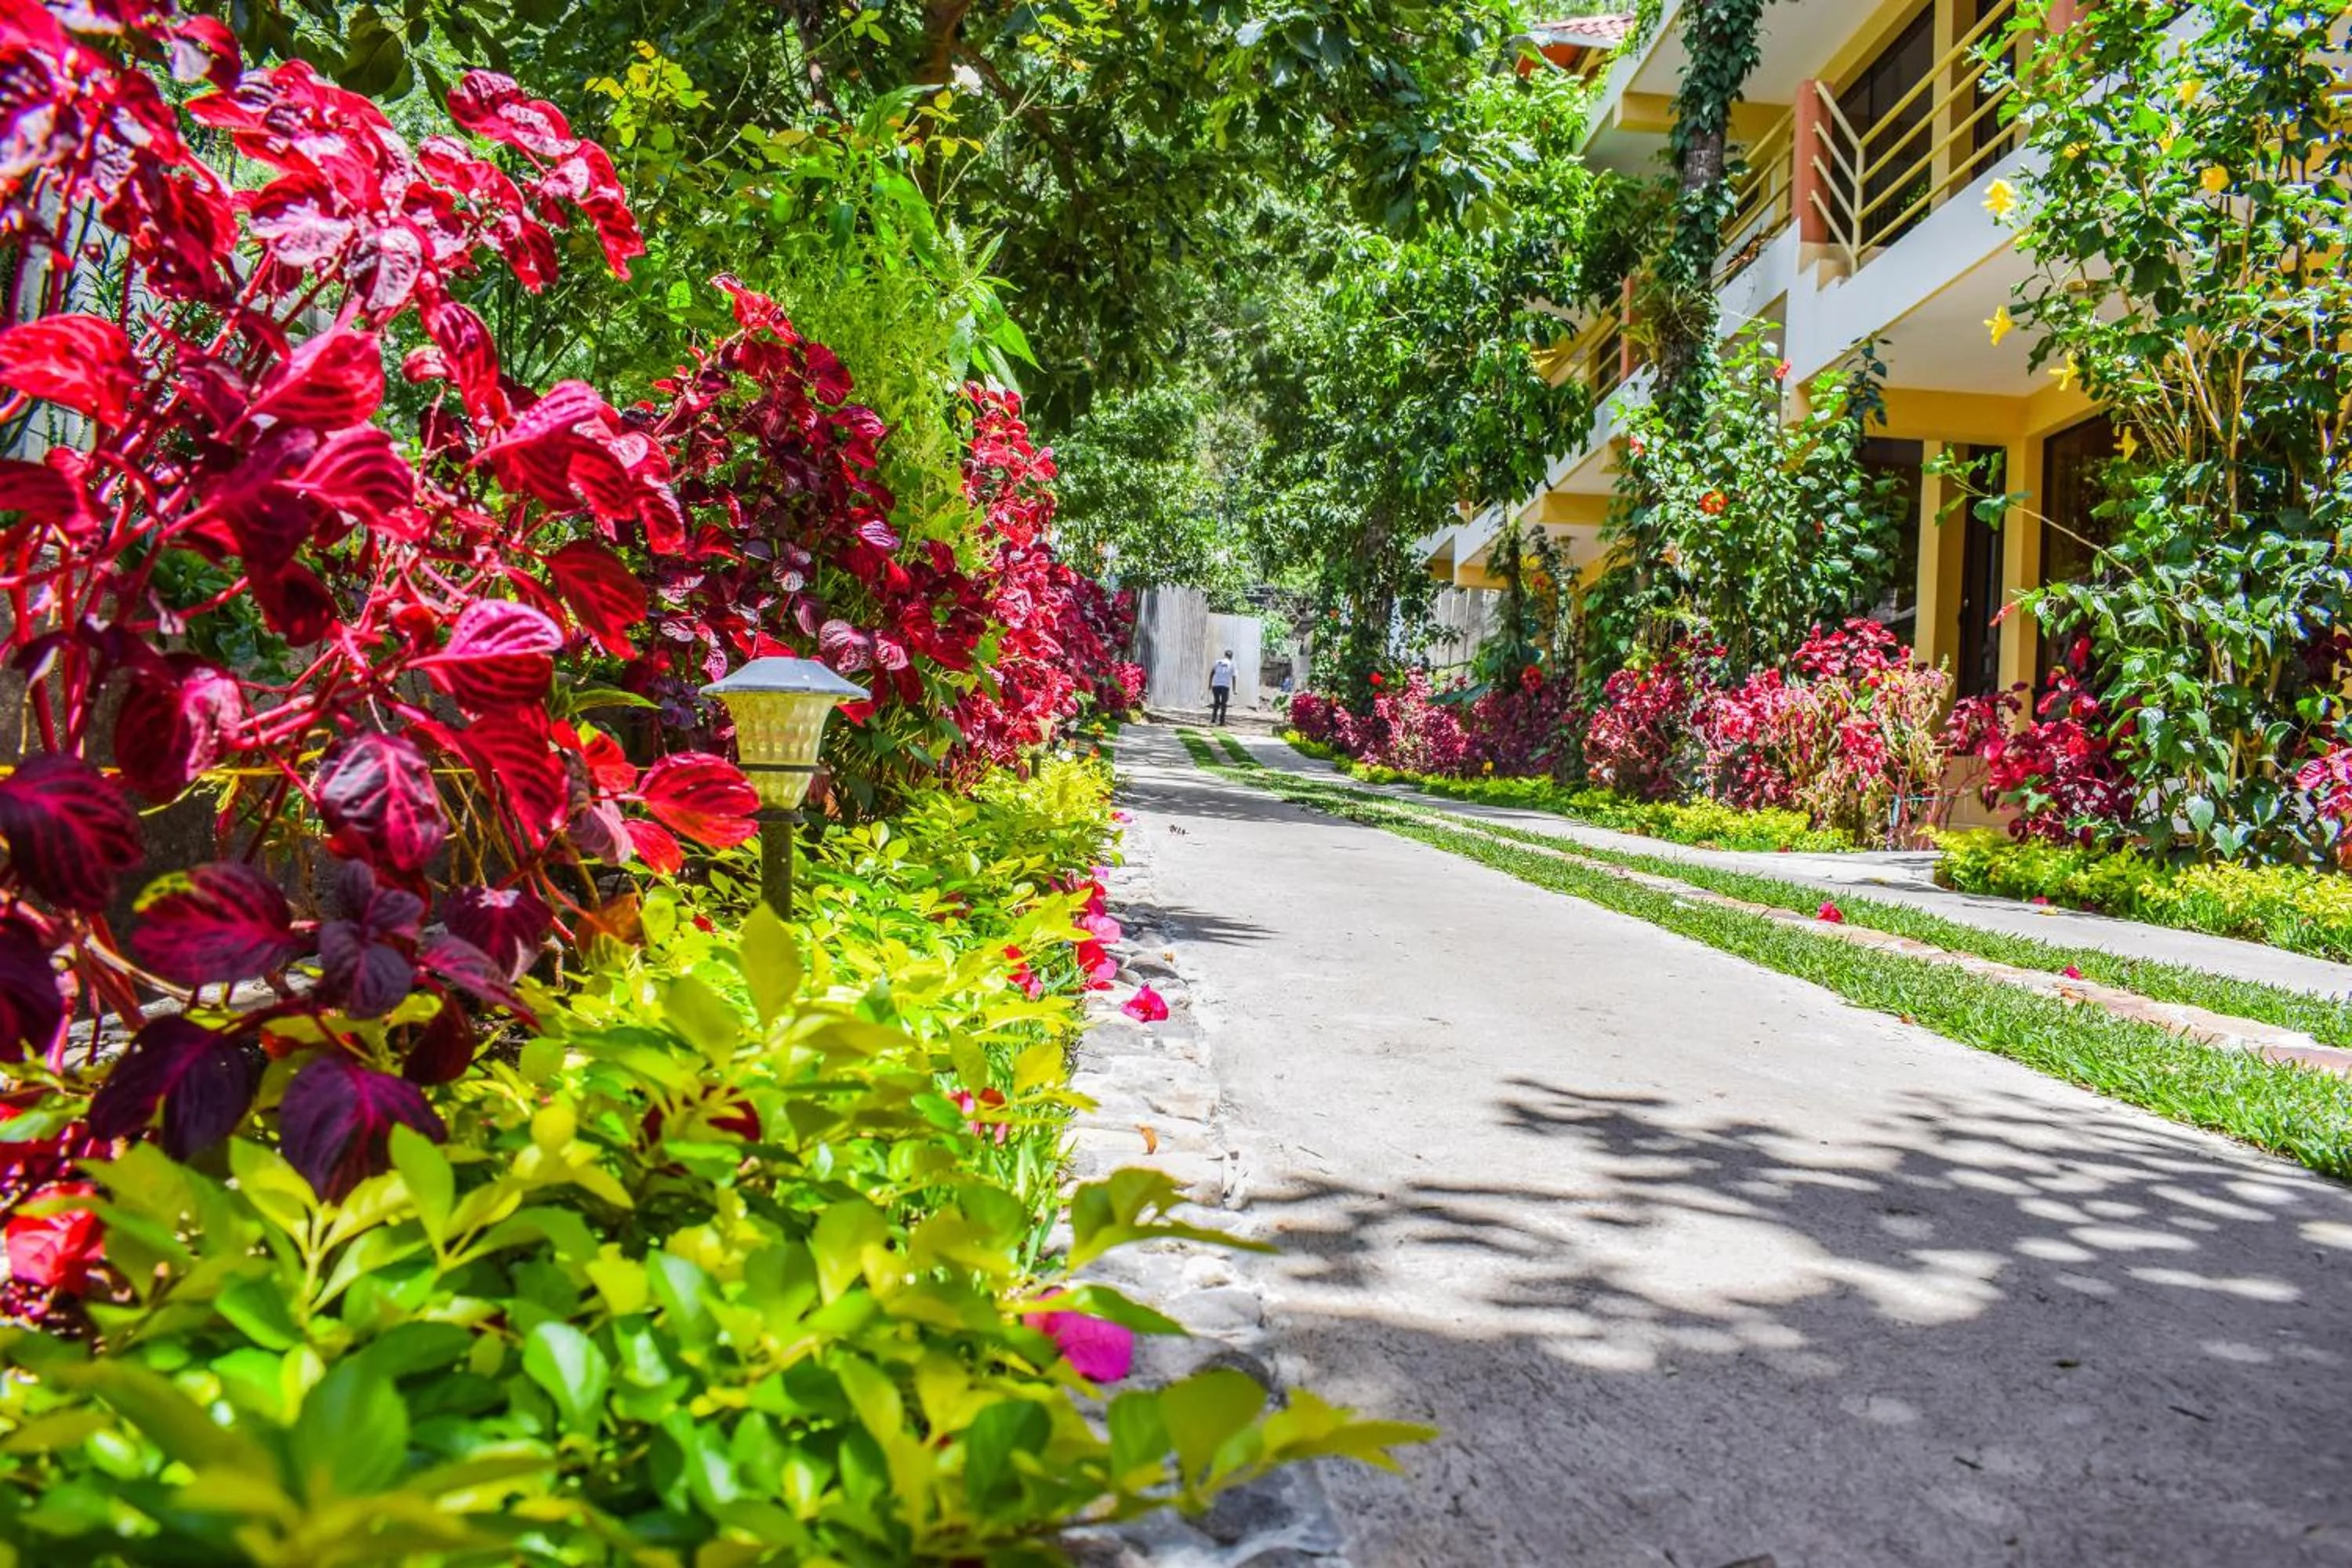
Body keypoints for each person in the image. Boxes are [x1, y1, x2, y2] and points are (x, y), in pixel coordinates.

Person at [1209, 649, 1236, 724]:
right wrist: (1234, 689)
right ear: (1231, 656)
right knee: (1224, 703)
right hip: (1225, 686)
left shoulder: (1217, 662)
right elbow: (1234, 677)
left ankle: (1214, 718)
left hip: (1216, 685)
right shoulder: (1232, 664)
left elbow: (1212, 673)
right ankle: (1222, 721)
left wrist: (1209, 684)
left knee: (1216, 702)